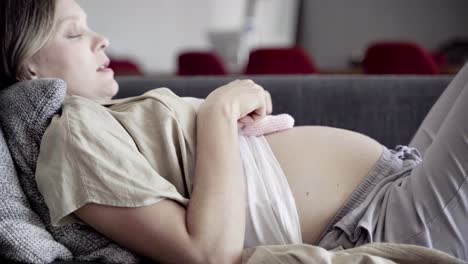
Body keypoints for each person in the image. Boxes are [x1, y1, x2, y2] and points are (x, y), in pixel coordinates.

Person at [1, 0, 467, 263]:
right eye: (73, 33)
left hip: (396, 182)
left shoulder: (101, 119)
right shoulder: (70, 135)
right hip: (385, 219)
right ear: (28, 65)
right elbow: (204, 255)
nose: (100, 40)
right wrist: (219, 112)